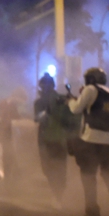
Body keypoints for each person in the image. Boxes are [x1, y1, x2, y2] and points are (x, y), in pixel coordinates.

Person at [67, 67, 109, 216]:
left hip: (92, 138)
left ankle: (92, 212)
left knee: (88, 175)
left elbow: (77, 109)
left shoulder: (90, 90)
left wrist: (71, 100)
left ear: (91, 79)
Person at [33, 74, 74, 205]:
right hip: (60, 138)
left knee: (48, 167)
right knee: (60, 167)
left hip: (45, 138)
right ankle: (59, 195)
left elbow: (37, 119)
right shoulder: (62, 99)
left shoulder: (39, 102)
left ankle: (58, 195)